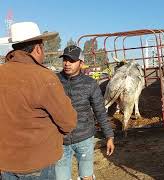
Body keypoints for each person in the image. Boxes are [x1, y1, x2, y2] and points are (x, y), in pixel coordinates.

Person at [0, 22, 77, 179]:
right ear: (37, 48)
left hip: (5, 163)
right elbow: (68, 121)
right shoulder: (44, 77)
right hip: (36, 163)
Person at [55, 45, 115, 180]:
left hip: (84, 138)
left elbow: (100, 111)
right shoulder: (54, 81)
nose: (67, 63)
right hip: (60, 140)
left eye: (72, 60)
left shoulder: (90, 83)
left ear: (81, 63)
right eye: (65, 59)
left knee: (86, 176)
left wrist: (109, 135)